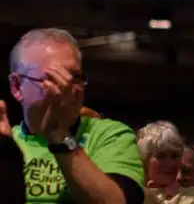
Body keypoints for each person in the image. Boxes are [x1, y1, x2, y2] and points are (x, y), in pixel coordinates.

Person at [2, 27, 145, 203]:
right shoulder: (8, 140)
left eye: (76, 77)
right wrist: (5, 157)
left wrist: (60, 138)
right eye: (55, 78)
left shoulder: (111, 135)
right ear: (17, 87)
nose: (70, 88)